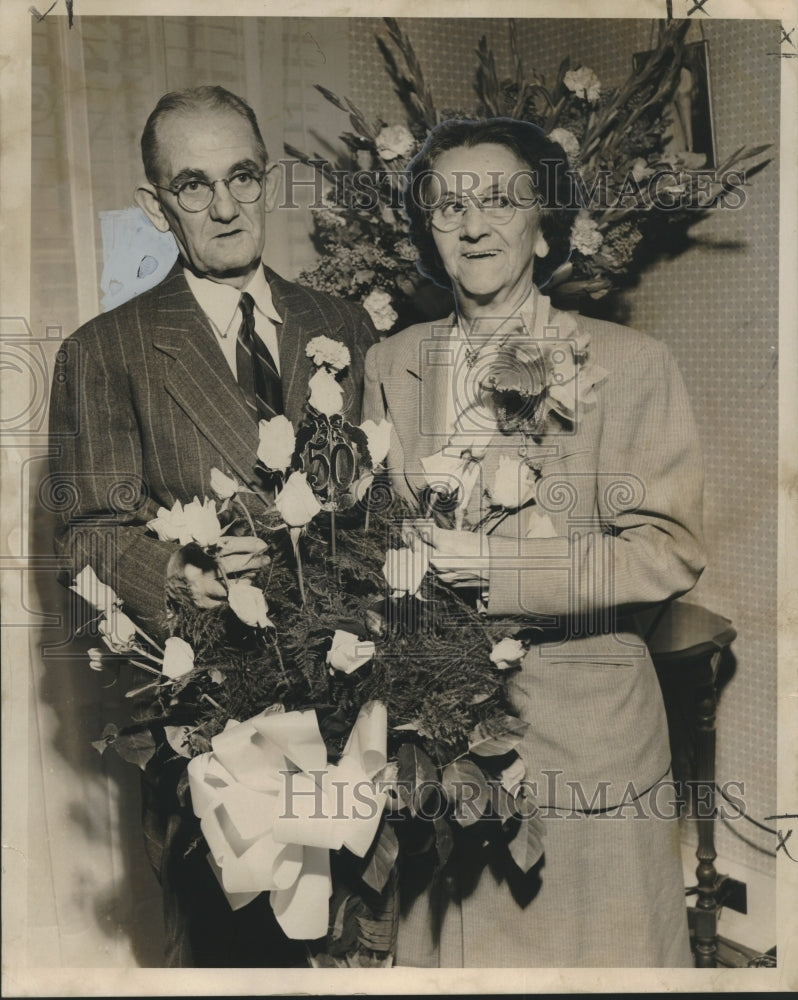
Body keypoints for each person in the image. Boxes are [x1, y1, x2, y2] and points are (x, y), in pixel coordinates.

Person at [363, 117, 706, 967]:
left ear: (545, 225)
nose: (474, 225)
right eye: (448, 207)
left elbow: (668, 549)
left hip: (587, 737)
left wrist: (500, 567)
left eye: (502, 202)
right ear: (427, 231)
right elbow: (370, 541)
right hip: (440, 745)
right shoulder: (390, 363)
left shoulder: (630, 363)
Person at [48, 85, 378, 967]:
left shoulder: (339, 323)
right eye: (194, 186)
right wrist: (175, 579)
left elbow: (380, 500)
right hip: (219, 730)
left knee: (362, 951)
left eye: (241, 176)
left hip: (361, 714)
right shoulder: (104, 351)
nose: (226, 207)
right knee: (243, 959)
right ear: (158, 207)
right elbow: (86, 528)